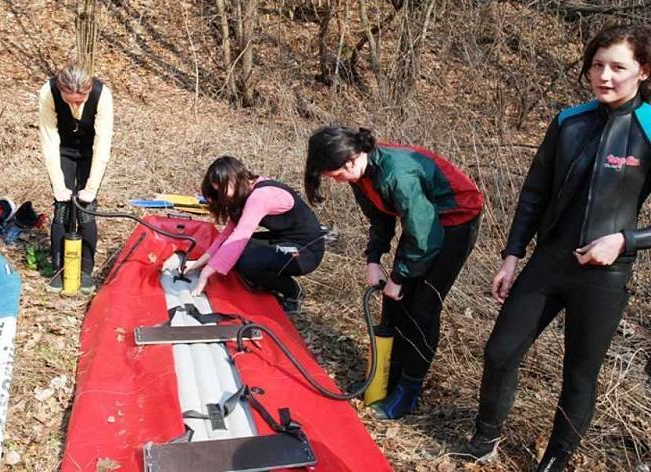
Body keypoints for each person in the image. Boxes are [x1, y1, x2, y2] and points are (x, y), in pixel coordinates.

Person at [465, 24, 651, 471]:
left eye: (618, 67)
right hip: (548, 261)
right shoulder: (569, 121)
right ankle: (484, 438)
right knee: (500, 351)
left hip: (605, 274)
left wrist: (625, 239)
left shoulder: (649, 128)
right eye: (597, 65)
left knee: (579, 374)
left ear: (643, 71)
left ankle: (555, 459)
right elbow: (534, 193)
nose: (604, 76)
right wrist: (512, 255)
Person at [304, 127, 482, 420]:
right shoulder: (360, 174)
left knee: (423, 309)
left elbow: (426, 237)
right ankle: (388, 376)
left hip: (456, 218)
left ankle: (409, 391)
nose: (336, 181)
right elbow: (381, 217)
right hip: (425, 220)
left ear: (351, 159)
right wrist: (373, 259)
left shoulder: (396, 175)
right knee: (395, 303)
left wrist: (399, 277)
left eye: (335, 175)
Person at [187, 156, 325, 313]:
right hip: (283, 239)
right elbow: (228, 235)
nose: (222, 196)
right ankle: (264, 280)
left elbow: (240, 235)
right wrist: (199, 263)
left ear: (233, 180)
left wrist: (206, 274)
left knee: (249, 263)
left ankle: (292, 292)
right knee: (236, 254)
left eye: (222, 190)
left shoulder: (260, 197)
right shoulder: (243, 192)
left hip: (307, 250)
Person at [38, 62, 114, 294]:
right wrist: (59, 185)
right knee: (62, 208)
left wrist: (90, 188)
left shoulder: (102, 95)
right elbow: (49, 139)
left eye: (79, 101)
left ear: (88, 91)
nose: (73, 105)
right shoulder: (48, 92)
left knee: (85, 209)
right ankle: (60, 269)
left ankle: (85, 271)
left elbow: (103, 145)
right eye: (68, 100)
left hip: (90, 152)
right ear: (60, 90)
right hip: (62, 151)